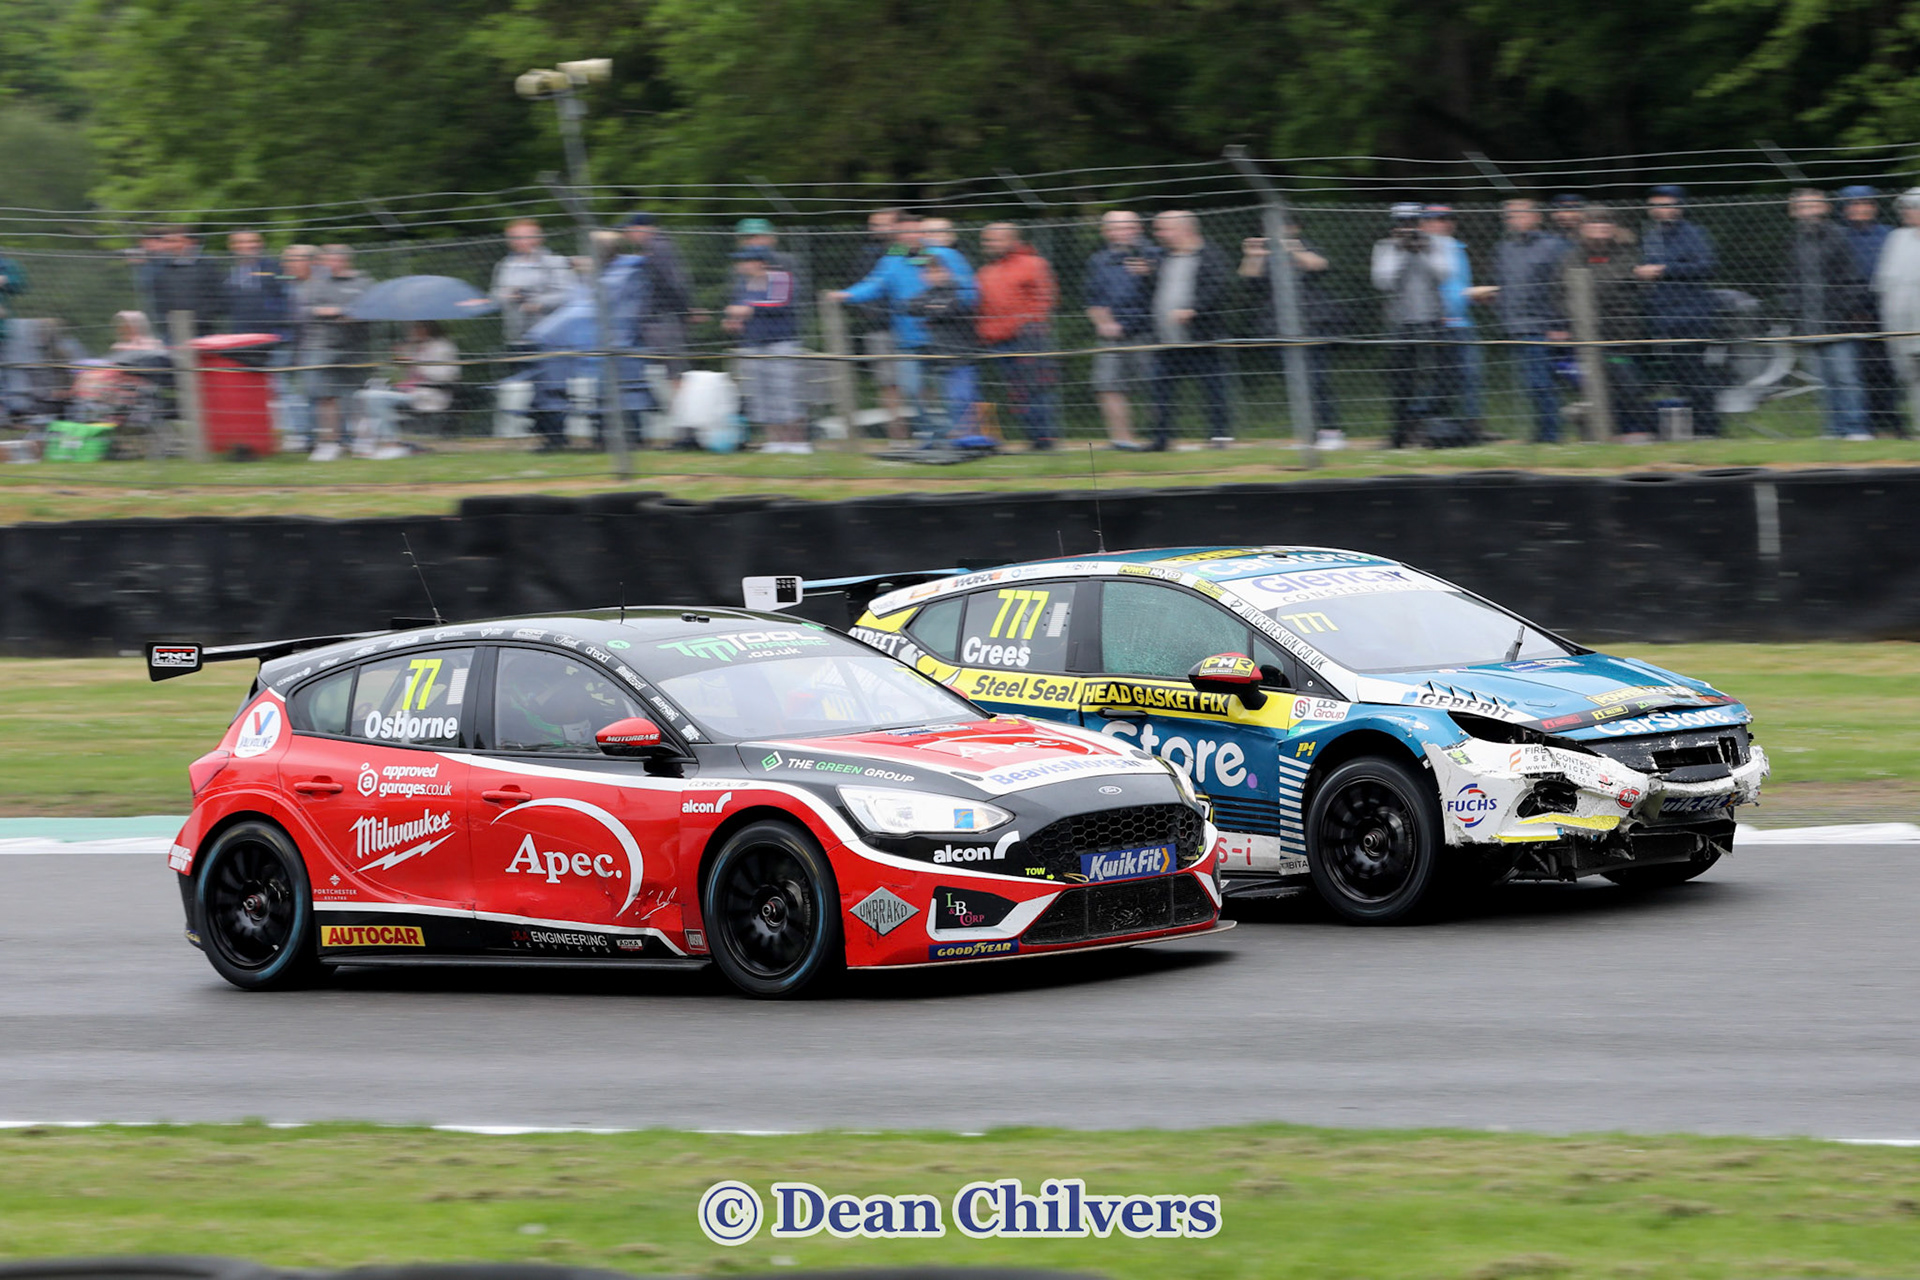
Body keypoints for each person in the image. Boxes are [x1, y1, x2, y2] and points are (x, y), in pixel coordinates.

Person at [831, 212, 977, 440]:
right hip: (909, 340)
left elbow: (968, 291)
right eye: (904, 231)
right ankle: (933, 436)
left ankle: (960, 437)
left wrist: (942, 308)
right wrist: (847, 295)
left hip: (945, 338)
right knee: (912, 391)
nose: (910, 235)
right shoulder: (892, 259)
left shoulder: (944, 254)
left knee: (950, 393)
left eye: (914, 230)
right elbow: (874, 285)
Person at [1470, 197, 1571, 442]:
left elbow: (1566, 289)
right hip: (1515, 327)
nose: (1513, 219)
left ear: (1537, 217)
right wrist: (1489, 297)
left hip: (1544, 326)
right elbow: (1501, 286)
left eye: (1519, 214)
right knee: (1532, 384)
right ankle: (1543, 434)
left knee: (1542, 383)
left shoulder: (1554, 246)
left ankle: (1550, 436)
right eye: (1509, 215)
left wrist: (1561, 325)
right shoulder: (1503, 249)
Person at [1237, 218, 1340, 446]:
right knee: (1295, 382)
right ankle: (1308, 434)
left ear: (1295, 228)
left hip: (1311, 324)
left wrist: (1290, 248)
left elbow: (1320, 265)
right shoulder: (1265, 253)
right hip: (1277, 325)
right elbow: (1248, 281)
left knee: (1316, 379)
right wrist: (1252, 255)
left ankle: (1330, 431)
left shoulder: (1304, 246)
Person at [1552, 205, 1652, 437]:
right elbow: (1559, 293)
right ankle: (1601, 432)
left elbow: (1625, 285)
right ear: (1583, 229)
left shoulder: (1626, 253)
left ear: (1613, 228)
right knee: (1595, 387)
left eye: (1604, 225)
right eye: (1593, 224)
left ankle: (1634, 431)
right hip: (1585, 335)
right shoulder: (1571, 257)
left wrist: (1592, 284)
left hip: (1621, 335)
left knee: (1628, 385)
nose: (1599, 230)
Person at [1786, 188, 1873, 440]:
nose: (1809, 212)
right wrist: (1791, 313)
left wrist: (1843, 313)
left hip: (1838, 322)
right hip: (1807, 323)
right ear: (1794, 212)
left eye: (1814, 206)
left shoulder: (1839, 237)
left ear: (1825, 208)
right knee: (1824, 381)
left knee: (1846, 377)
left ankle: (1856, 429)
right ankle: (1834, 429)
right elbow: (1789, 283)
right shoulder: (1794, 241)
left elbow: (1853, 281)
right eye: (1803, 207)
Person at [1636, 185, 1721, 436]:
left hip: (1690, 315)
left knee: (1695, 376)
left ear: (1678, 207)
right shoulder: (1651, 236)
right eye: (1654, 204)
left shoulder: (1693, 234)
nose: (1658, 209)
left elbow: (1707, 267)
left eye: (1664, 204)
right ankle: (1687, 429)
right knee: (1680, 378)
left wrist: (1664, 270)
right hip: (1662, 316)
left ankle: (1708, 430)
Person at [1370, 201, 1456, 446]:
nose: (1407, 228)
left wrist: (1424, 251)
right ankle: (1400, 433)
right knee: (1401, 379)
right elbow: (1382, 281)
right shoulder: (1384, 247)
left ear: (1420, 223)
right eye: (1402, 223)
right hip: (1401, 322)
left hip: (1432, 319)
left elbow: (1444, 275)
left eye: (1411, 222)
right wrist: (1401, 251)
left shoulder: (1436, 243)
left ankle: (1434, 431)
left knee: (1437, 378)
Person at [1148, 209, 1234, 450]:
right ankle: (1161, 439)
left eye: (1164, 229)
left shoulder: (1210, 255)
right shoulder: (1163, 258)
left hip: (1202, 337)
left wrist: (1194, 309)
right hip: (1166, 338)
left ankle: (1219, 436)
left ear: (1184, 229)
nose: (1159, 234)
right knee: (1160, 389)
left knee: (1213, 387)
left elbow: (1219, 287)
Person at [974, 222, 1059, 450]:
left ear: (1013, 240)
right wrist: (987, 332)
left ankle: (1045, 439)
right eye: (986, 240)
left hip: (1028, 337)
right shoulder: (985, 272)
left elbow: (1046, 300)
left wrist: (1026, 325)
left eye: (995, 239)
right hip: (999, 341)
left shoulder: (1033, 264)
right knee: (1017, 393)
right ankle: (1034, 438)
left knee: (1036, 389)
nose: (989, 244)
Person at [1084, 210, 1159, 449]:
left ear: (1139, 229)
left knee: (1155, 384)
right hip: (1112, 335)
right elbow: (1092, 300)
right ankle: (1121, 439)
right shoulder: (1098, 261)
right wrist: (1103, 323)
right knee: (1107, 385)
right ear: (1105, 232)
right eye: (1115, 228)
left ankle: (1159, 436)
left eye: (1127, 227)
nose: (1121, 233)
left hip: (1148, 332)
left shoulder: (1155, 255)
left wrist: (1151, 273)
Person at [724, 246, 806, 453]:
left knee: (785, 393)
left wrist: (749, 309)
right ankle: (774, 441)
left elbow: (780, 303)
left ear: (761, 263)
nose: (741, 265)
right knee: (761, 396)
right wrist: (734, 321)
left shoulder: (781, 279)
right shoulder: (742, 283)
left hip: (780, 343)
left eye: (746, 261)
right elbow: (739, 309)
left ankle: (797, 442)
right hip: (752, 344)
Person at [1839, 185, 1904, 435]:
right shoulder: (1840, 237)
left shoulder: (1889, 235)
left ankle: (1892, 419)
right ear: (1844, 210)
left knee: (1889, 368)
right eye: (1853, 204)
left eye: (1865, 203)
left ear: (1874, 207)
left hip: (1889, 308)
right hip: (1854, 312)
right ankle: (1868, 422)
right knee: (1862, 369)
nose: (1860, 209)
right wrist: (1853, 308)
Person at [297, 244, 371, 461]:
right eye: (326, 260)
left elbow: (371, 308)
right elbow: (308, 310)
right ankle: (329, 443)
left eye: (332, 260)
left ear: (344, 260)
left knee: (356, 396)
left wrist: (351, 314)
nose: (328, 264)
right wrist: (339, 311)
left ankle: (361, 442)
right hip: (323, 347)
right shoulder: (316, 283)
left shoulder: (364, 282)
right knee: (326, 396)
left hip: (356, 348)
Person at [620, 213, 698, 396]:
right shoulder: (655, 247)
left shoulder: (658, 247)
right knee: (667, 368)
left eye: (629, 230)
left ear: (641, 228)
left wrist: (685, 311)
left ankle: (682, 408)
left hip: (663, 317)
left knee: (673, 370)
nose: (628, 235)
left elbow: (673, 283)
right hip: (659, 317)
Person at [904, 253, 978, 444]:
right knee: (948, 400)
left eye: (937, 271)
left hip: (962, 355)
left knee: (962, 398)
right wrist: (934, 307)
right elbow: (910, 306)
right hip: (941, 357)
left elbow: (949, 308)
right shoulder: (928, 293)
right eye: (929, 272)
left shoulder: (958, 290)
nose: (933, 275)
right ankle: (955, 438)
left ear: (947, 271)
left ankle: (968, 438)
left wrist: (931, 308)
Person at [1424, 204, 1479, 438]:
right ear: (1425, 223)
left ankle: (1472, 426)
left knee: (1471, 375)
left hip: (1462, 323)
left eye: (1447, 218)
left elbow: (1461, 286)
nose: (1443, 223)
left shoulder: (1458, 248)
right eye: (1437, 219)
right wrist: (1436, 312)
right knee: (1435, 379)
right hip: (1435, 324)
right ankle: (1431, 426)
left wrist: (1476, 296)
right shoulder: (1421, 248)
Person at [847, 208, 902, 430]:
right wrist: (871, 313)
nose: (876, 229)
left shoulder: (910, 251)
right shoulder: (866, 254)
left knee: (920, 381)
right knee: (888, 383)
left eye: (882, 224)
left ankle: (928, 430)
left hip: (911, 325)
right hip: (879, 327)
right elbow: (859, 284)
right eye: (873, 224)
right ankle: (898, 435)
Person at [1873, 188, 1920, 435]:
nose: (1908, 212)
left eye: (1913, 207)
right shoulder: (1896, 238)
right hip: (1899, 327)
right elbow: (1883, 283)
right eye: (1906, 208)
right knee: (1911, 378)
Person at [489, 219, 574, 348]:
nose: (521, 241)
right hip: (516, 338)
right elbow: (494, 295)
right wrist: (507, 295)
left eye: (527, 236)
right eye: (515, 237)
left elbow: (568, 294)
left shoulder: (556, 262)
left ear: (539, 238)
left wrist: (537, 303)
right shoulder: (504, 265)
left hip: (550, 336)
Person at [143, 227, 224, 335]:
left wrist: (202, 317)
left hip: (202, 328)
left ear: (190, 242)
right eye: (167, 242)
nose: (169, 246)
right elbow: (157, 298)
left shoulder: (207, 264)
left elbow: (216, 295)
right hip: (170, 328)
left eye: (174, 241)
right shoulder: (160, 266)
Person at [222, 230, 289, 338]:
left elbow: (286, 298)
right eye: (241, 242)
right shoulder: (225, 270)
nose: (248, 245)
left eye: (253, 241)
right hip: (237, 334)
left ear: (261, 244)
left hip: (271, 335)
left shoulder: (277, 268)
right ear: (231, 246)